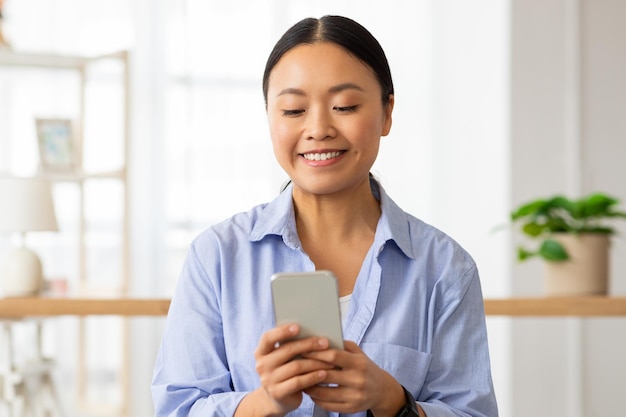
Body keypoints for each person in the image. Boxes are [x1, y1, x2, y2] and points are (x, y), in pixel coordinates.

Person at [152, 15, 498, 417]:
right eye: (294, 109)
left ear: (387, 113)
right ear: (269, 117)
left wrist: (391, 401)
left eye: (345, 106)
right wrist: (267, 402)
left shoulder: (445, 268)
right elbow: (177, 408)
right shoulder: (216, 257)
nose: (318, 129)